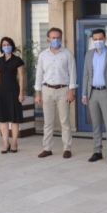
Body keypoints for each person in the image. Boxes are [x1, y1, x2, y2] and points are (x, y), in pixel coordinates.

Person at [35, 27, 77, 159]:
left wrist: (71, 91)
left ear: (61, 38)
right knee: (48, 122)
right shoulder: (43, 55)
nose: (55, 40)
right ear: (48, 39)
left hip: (63, 90)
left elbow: (72, 73)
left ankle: (67, 148)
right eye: (53, 37)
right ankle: (47, 148)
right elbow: (39, 74)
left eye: (58, 37)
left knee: (65, 121)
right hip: (47, 90)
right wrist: (38, 93)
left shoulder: (67, 54)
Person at [81, 29, 107, 165]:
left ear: (105, 39)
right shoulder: (89, 54)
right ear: (92, 40)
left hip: (106, 93)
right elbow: (86, 75)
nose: (98, 41)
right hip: (92, 93)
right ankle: (97, 151)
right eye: (95, 39)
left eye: (100, 39)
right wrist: (84, 94)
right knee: (96, 124)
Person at [0, 37, 25, 154]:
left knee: (14, 119)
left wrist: (21, 93)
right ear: (1, 47)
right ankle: (6, 143)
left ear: (12, 46)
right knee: (3, 119)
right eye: (4, 45)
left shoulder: (17, 60)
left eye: (8, 44)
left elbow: (21, 77)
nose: (6, 46)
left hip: (14, 91)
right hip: (1, 92)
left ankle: (14, 142)